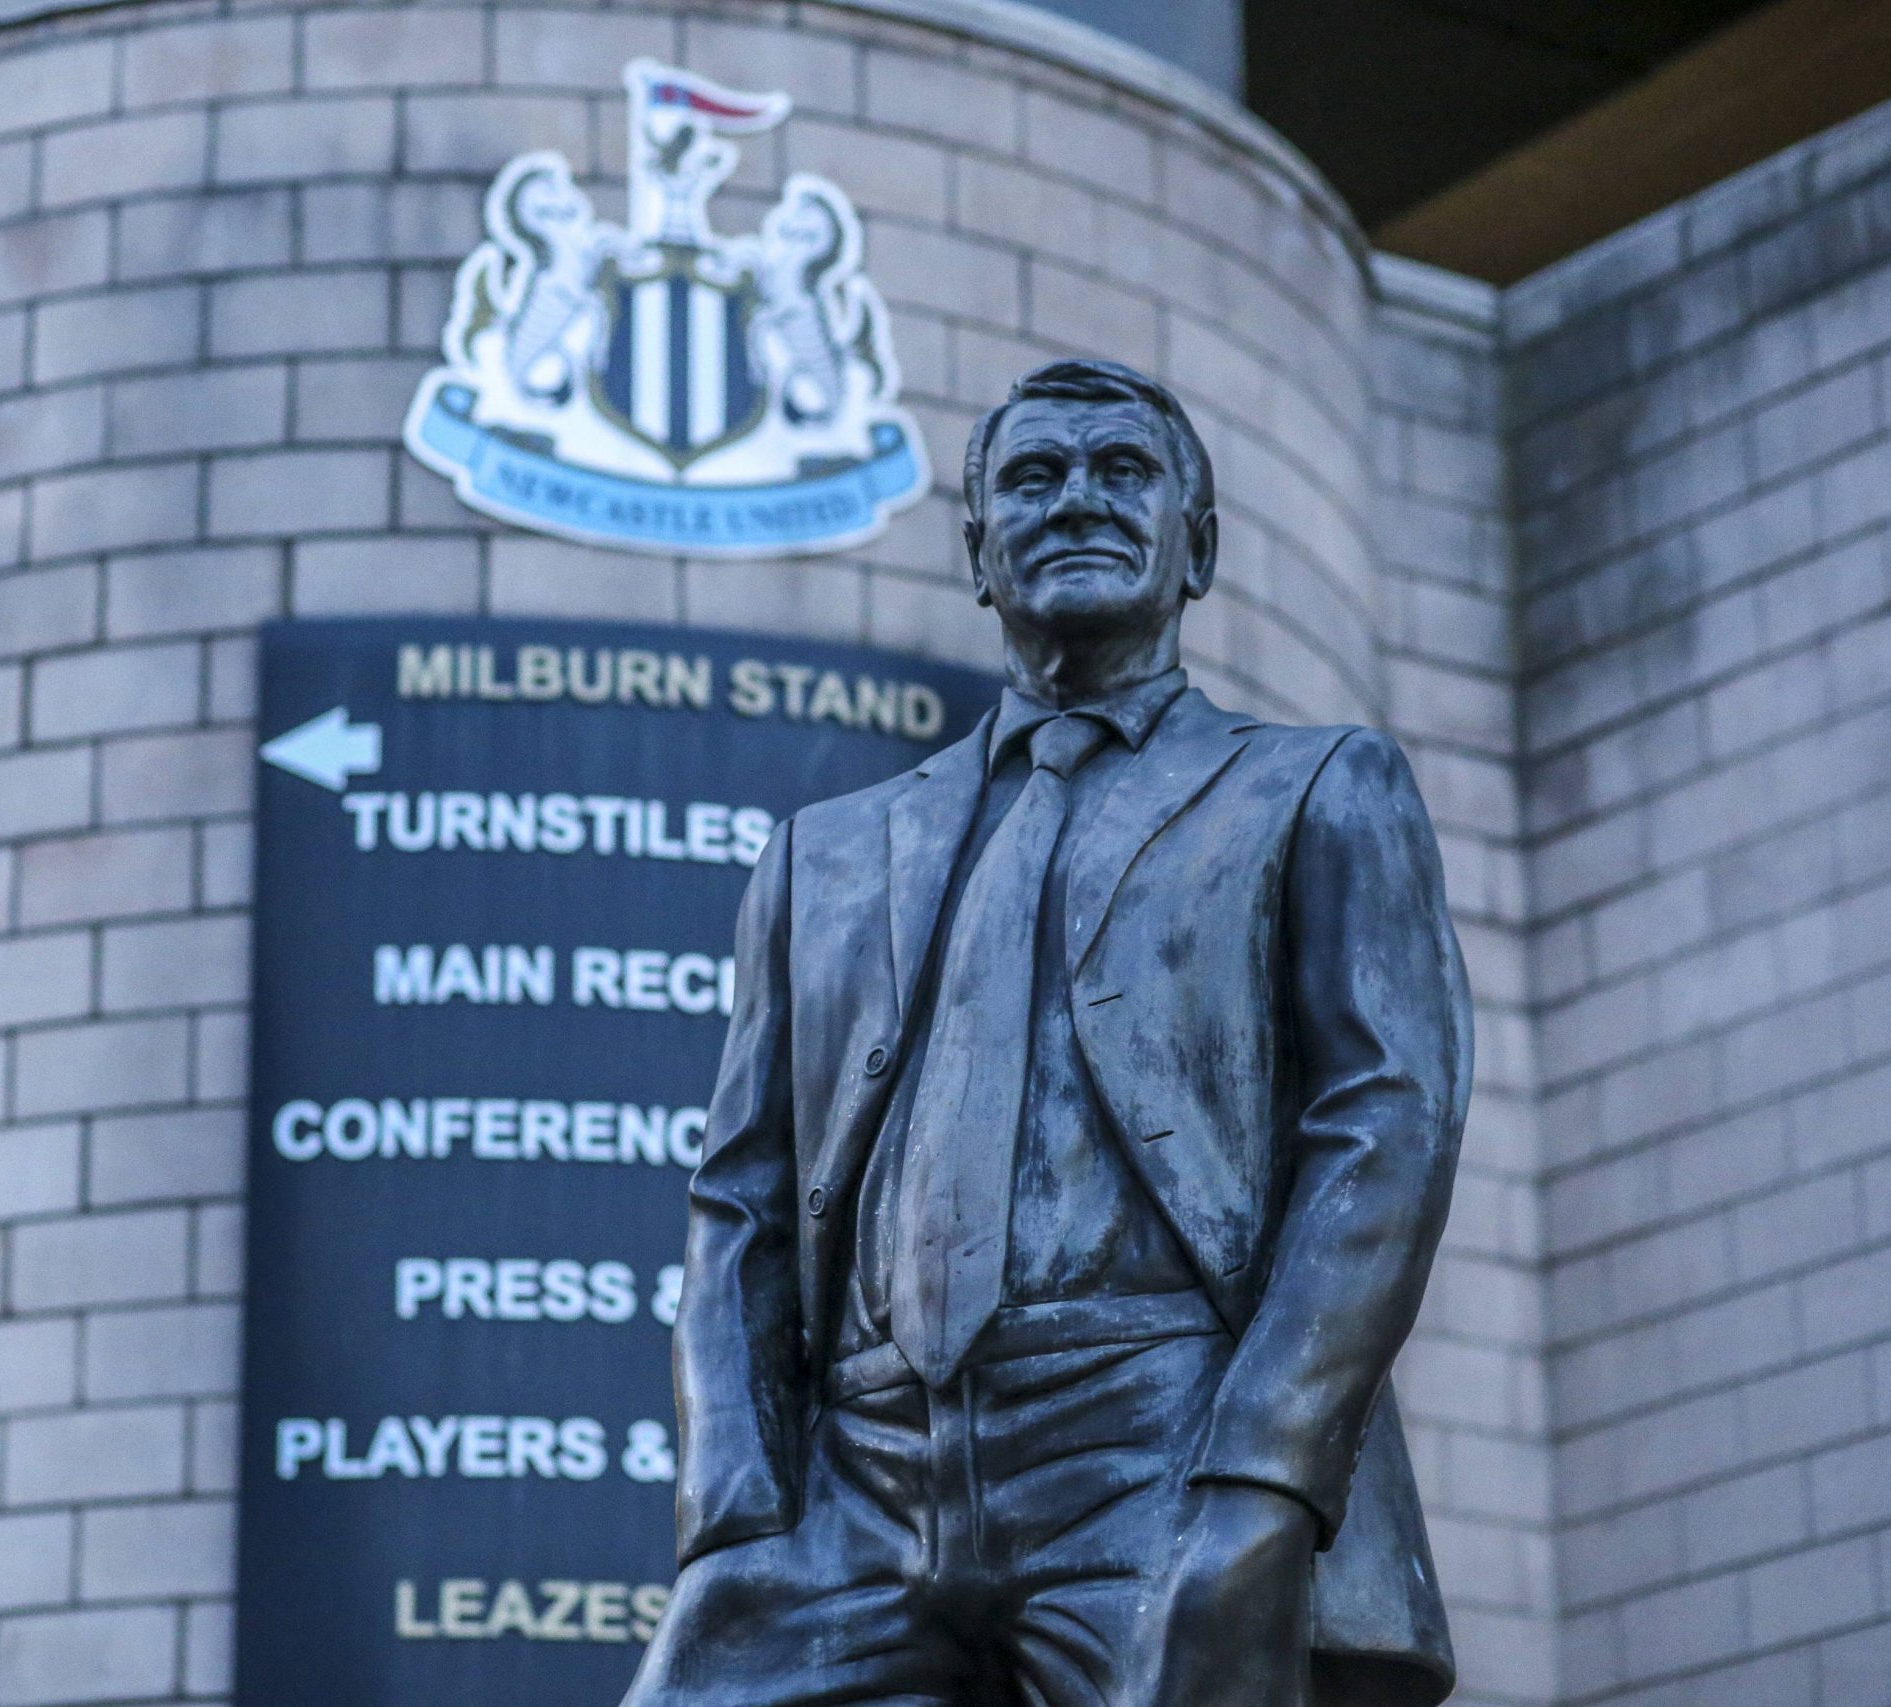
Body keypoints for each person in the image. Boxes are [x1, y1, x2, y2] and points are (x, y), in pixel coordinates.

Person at [623, 358, 1471, 1707]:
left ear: (1198, 546)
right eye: (1033, 477)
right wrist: (737, 1506)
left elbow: (1385, 1130)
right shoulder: (822, 859)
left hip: (1154, 1438)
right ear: (977, 554)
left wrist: (1263, 1474)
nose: (1077, 498)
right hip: (855, 1479)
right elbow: (741, 1197)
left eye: (1124, 471)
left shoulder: (1314, 788)